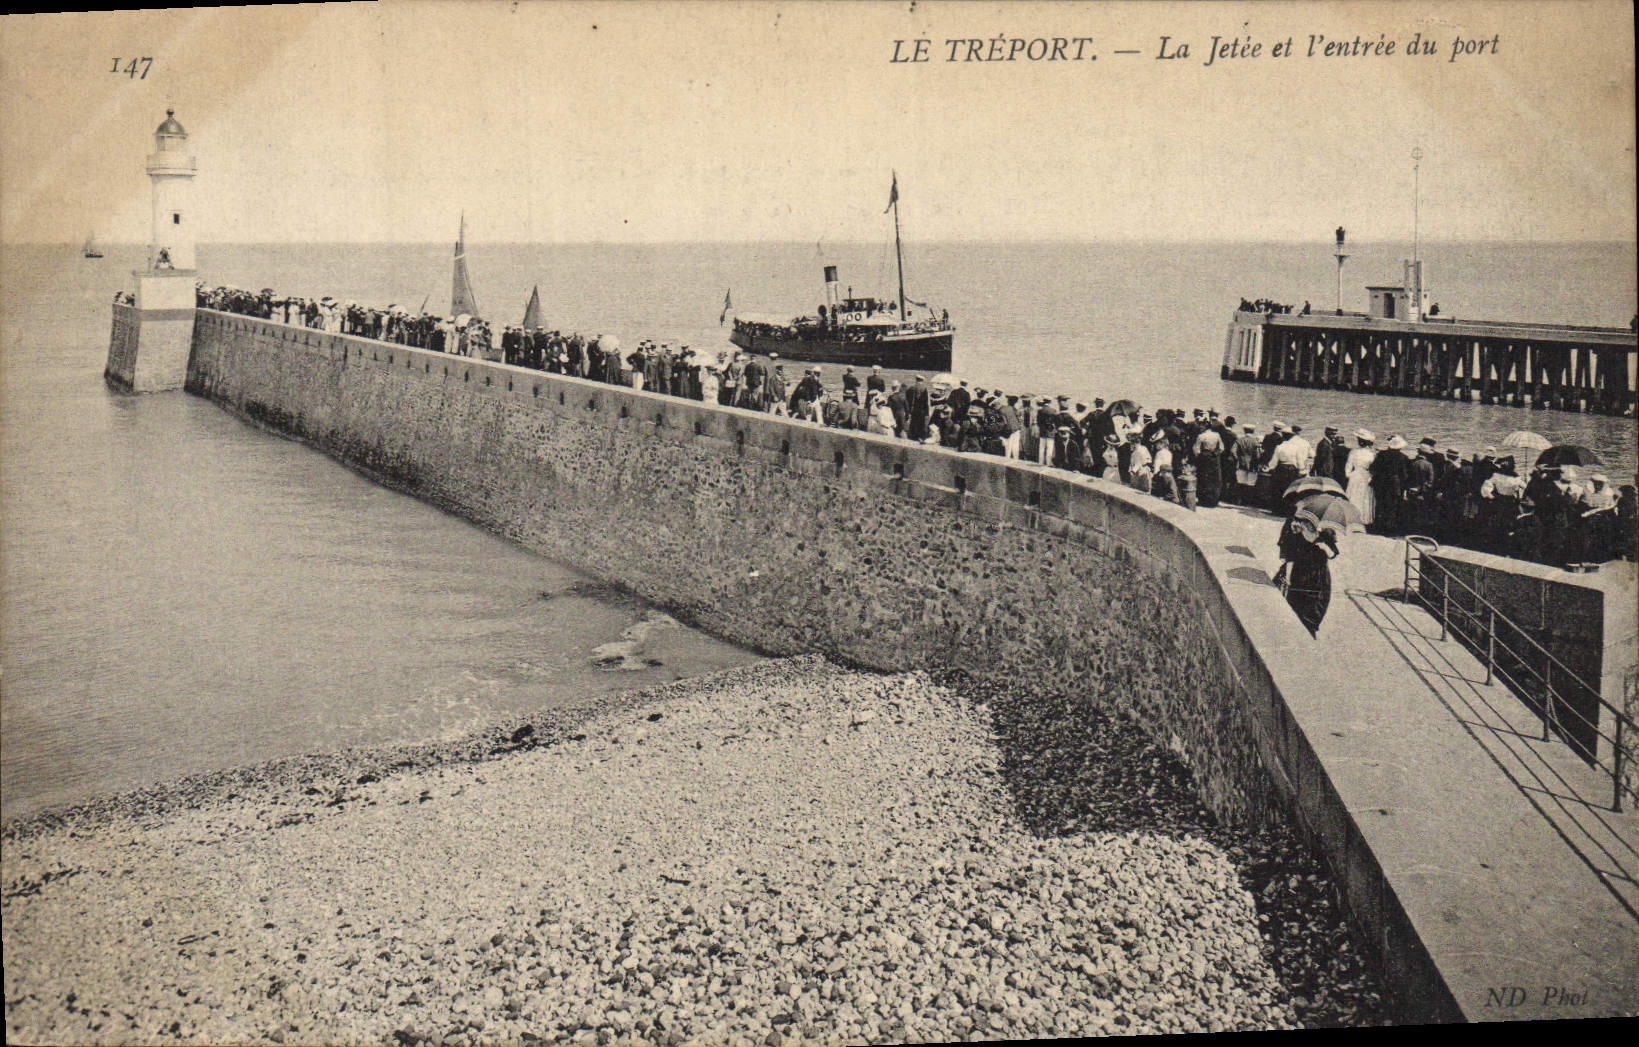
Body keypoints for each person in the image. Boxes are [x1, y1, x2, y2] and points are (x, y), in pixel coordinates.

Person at [1276, 508, 1337, 637]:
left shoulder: (1325, 532)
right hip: (1299, 575)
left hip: (1319, 578)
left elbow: (1333, 554)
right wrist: (1288, 576)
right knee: (1295, 607)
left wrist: (1325, 547)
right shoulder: (1296, 531)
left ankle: (1309, 632)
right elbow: (1290, 557)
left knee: (1315, 610)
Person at [1343, 430, 1377, 529]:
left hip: (1355, 475)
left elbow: (1348, 465)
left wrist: (1349, 475)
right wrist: (1371, 476)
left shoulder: (1353, 452)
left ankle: (1352, 518)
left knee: (1354, 497)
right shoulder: (1372, 453)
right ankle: (1364, 519)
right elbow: (1374, 467)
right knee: (1365, 498)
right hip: (1367, 476)